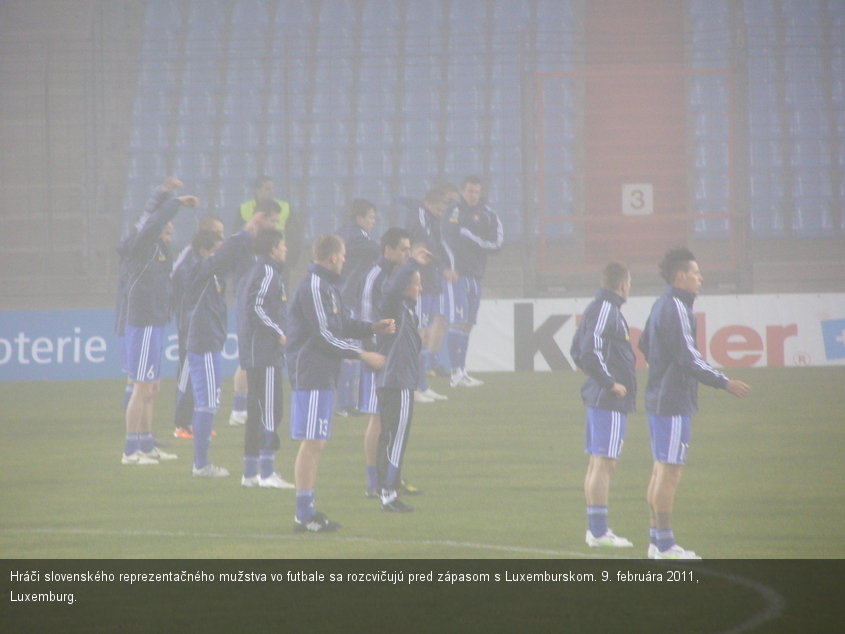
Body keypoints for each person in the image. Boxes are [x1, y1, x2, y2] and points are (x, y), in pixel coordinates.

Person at [639, 247, 751, 559]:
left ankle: (655, 542)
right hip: (672, 402)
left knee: (660, 470)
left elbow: (645, 343)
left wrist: (662, 368)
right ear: (680, 276)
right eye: (696, 273)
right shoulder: (675, 307)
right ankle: (664, 544)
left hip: (659, 399)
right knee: (669, 474)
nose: (701, 278)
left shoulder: (663, 303)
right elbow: (689, 358)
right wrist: (723, 382)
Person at [285, 235, 394, 532]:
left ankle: (306, 512)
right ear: (332, 257)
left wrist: (372, 327)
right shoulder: (315, 286)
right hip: (310, 370)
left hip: (320, 370)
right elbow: (323, 335)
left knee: (315, 442)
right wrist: (362, 354)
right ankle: (303, 515)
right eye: (343, 255)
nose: (345, 259)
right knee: (312, 443)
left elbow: (342, 324)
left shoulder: (329, 287)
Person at [183, 210, 277, 477]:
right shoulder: (199, 270)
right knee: (207, 403)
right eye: (216, 247)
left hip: (208, 341)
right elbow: (224, 257)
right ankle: (201, 465)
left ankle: (201, 463)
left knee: (208, 402)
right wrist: (247, 230)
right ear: (204, 250)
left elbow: (229, 258)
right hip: (203, 343)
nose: (220, 252)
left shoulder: (208, 271)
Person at [115, 177, 197, 465]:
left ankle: (146, 444)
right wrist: (173, 201)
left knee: (151, 388)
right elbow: (150, 220)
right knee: (140, 387)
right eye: (167, 223)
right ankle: (130, 451)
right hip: (143, 322)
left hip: (156, 322)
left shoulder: (161, 250)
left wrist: (164, 193)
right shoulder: (142, 245)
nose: (171, 226)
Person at [570, 262, 636, 549]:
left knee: (599, 462)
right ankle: (598, 532)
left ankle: (595, 530)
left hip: (603, 397)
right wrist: (609, 383)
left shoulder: (599, 308)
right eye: (629, 283)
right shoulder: (607, 309)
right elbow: (586, 350)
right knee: (604, 463)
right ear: (622, 284)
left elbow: (577, 349)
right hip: (607, 399)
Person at [229, 177, 302, 427]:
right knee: (248, 359)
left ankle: (243, 410)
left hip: (257, 303)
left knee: (251, 360)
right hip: (250, 304)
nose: (275, 224)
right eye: (271, 220)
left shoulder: (266, 255)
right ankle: (239, 409)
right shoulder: (252, 248)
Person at [237, 228, 294, 489]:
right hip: (265, 353)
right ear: (272, 249)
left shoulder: (253, 271)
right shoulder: (268, 272)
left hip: (254, 353)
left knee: (256, 411)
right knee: (271, 410)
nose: (286, 249)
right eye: (283, 245)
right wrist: (279, 333)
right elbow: (255, 306)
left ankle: (250, 473)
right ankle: (267, 472)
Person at [375, 247, 431, 512]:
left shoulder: (405, 310)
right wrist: (410, 264)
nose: (420, 289)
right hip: (397, 381)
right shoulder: (393, 306)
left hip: (395, 380)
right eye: (417, 284)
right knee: (395, 438)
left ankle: (387, 488)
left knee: (389, 436)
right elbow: (390, 289)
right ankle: (388, 494)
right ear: (406, 285)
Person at [357, 228, 412, 498]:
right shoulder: (377, 276)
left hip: (391, 357)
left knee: (391, 420)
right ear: (388, 250)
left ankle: (392, 476)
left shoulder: (393, 275)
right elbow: (368, 319)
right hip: (377, 358)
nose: (407, 253)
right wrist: (373, 354)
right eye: (403, 248)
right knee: (377, 419)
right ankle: (372, 481)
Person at [441, 175, 503, 388]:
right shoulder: (453, 211)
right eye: (469, 191)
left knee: (467, 324)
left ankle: (462, 370)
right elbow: (444, 239)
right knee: (457, 321)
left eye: (476, 192)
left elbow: (497, 244)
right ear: (462, 191)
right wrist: (447, 266)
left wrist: (474, 238)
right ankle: (455, 373)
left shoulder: (488, 214)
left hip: (476, 276)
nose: (473, 195)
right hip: (457, 275)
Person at [172, 214, 224, 439]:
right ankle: (181, 424)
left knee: (199, 377)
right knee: (187, 373)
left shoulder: (209, 261)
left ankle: (196, 423)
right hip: (190, 324)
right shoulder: (189, 257)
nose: (222, 238)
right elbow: (173, 278)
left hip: (203, 324)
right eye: (218, 233)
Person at [334, 199, 381, 417]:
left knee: (354, 350)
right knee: (350, 352)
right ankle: (344, 404)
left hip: (345, 297)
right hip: (347, 299)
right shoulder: (358, 237)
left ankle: (352, 402)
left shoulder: (346, 232)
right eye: (370, 217)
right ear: (359, 218)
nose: (374, 221)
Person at [406, 185, 452, 403]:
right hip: (421, 284)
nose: (441, 212)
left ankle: (422, 385)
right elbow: (427, 244)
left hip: (431, 283)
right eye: (440, 207)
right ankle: (414, 387)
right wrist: (440, 263)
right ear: (429, 203)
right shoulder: (420, 217)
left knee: (424, 334)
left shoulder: (433, 220)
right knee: (419, 335)